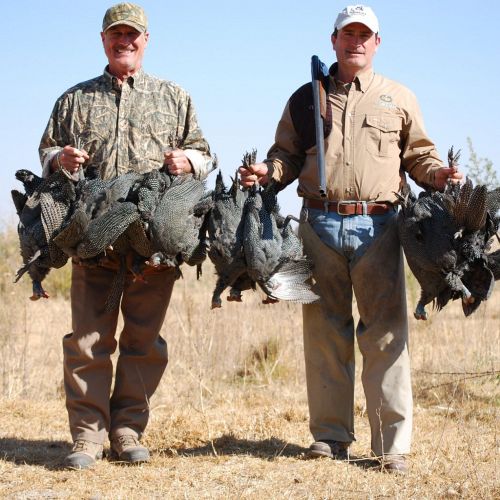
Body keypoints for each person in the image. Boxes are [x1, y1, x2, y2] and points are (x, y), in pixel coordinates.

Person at [240, 4, 462, 474]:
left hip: (380, 226)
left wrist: (438, 174)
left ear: (377, 43)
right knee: (325, 332)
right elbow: (285, 156)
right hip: (317, 224)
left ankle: (391, 447)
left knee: (385, 334)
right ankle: (330, 437)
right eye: (348, 34)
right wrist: (266, 171)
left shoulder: (398, 97)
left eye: (364, 35)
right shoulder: (307, 96)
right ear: (334, 40)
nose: (356, 41)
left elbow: (419, 157)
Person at [39, 2, 213, 469]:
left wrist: (189, 161)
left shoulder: (174, 96)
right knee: (88, 341)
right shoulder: (74, 99)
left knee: (144, 340)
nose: (125, 41)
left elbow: (204, 153)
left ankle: (128, 430)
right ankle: (88, 437)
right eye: (116, 34)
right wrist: (59, 159)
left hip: (152, 245)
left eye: (133, 34)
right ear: (103, 40)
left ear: (146, 40)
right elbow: (46, 151)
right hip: (92, 240)